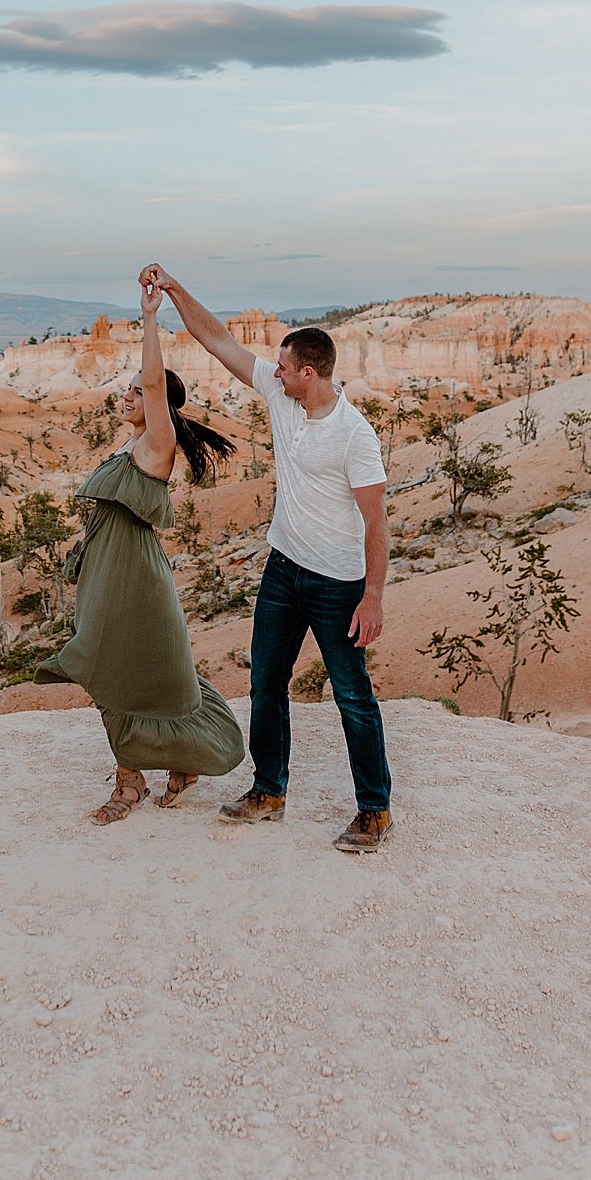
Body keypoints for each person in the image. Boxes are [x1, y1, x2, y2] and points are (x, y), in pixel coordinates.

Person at [138, 264, 393, 853]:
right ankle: (269, 792)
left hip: (337, 585)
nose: (273, 372)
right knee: (266, 686)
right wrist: (174, 289)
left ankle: (374, 810)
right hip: (283, 570)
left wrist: (372, 596)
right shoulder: (282, 396)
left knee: (352, 696)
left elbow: (377, 521)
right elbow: (219, 339)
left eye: (284, 366)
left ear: (310, 372)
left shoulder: (355, 435)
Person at [33, 277, 245, 824]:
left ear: (158, 405)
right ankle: (166, 767)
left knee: (116, 671)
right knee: (120, 671)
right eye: (125, 390)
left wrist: (150, 317)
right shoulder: (130, 445)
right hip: (110, 571)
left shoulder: (158, 442)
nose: (126, 395)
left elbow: (155, 385)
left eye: (135, 391)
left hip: (135, 580)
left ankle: (133, 784)